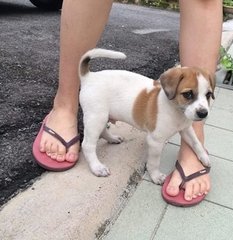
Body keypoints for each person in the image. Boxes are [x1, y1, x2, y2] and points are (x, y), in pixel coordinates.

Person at [33, 0, 222, 206]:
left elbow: (186, 128)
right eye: (189, 95)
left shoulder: (182, 110)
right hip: (99, 91)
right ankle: (89, 150)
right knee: (98, 124)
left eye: (207, 95)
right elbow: (154, 141)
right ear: (171, 88)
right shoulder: (165, 111)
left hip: (112, 90)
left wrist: (199, 150)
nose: (202, 106)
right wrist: (154, 171)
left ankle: (194, 151)